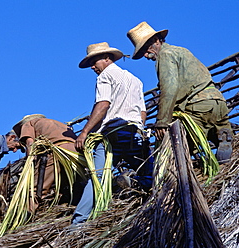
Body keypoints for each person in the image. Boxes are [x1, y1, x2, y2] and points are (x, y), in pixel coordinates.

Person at [127, 21, 233, 163]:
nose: (146, 56)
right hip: (217, 101)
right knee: (215, 133)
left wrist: (162, 122)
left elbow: (169, 89)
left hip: (197, 106)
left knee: (172, 152)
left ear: (156, 41)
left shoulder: (165, 55)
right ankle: (221, 134)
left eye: (146, 50)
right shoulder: (181, 51)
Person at [72, 42, 153, 225]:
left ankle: (79, 222)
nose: (93, 67)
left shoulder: (105, 76)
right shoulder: (134, 79)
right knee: (149, 173)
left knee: (98, 176)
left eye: (94, 61)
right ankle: (139, 193)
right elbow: (142, 112)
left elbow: (103, 105)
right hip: (134, 133)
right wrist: (140, 130)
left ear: (107, 58)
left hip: (113, 135)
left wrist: (84, 132)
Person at [12, 114, 79, 213]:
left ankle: (27, 213)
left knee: (35, 189)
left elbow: (30, 143)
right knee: (75, 181)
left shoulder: (28, 124)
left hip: (57, 150)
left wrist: (30, 162)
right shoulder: (58, 123)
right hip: (76, 152)